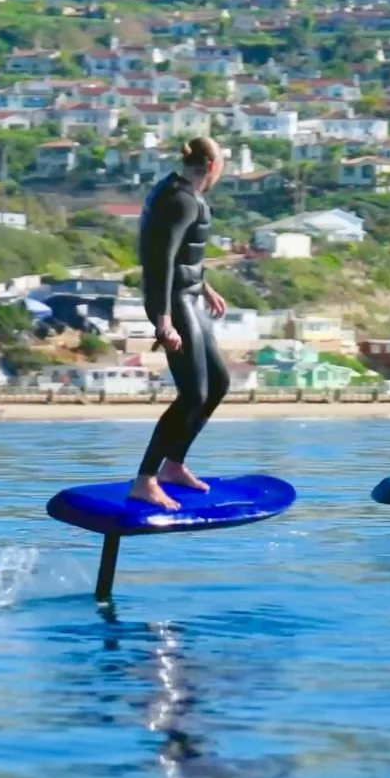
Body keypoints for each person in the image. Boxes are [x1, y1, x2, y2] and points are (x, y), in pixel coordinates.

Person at [129, 136, 230, 509]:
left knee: (217, 384)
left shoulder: (185, 194)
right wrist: (164, 322)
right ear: (211, 166)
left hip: (188, 297)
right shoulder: (179, 199)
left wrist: (205, 288)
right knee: (193, 394)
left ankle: (174, 465)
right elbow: (160, 261)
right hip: (172, 303)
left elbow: (185, 255)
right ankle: (145, 479)